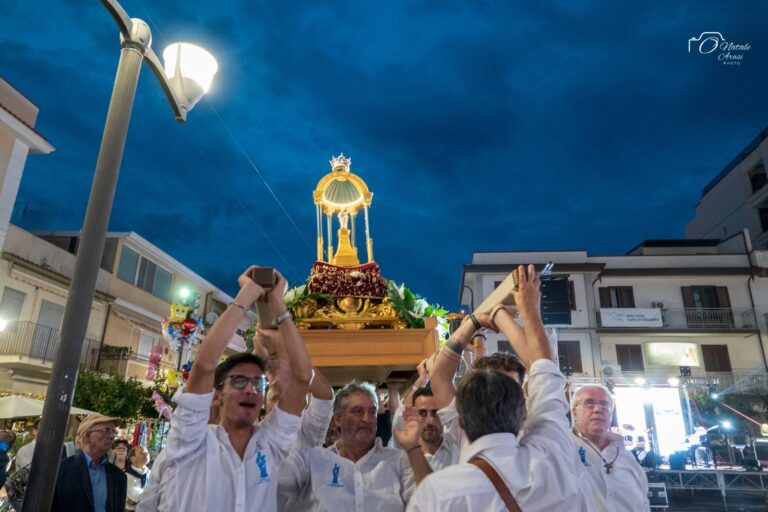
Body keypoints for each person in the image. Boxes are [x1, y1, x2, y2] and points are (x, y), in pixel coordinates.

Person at [408, 264, 590, 512]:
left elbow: (439, 374)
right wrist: (517, 313)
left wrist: (475, 322)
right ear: (523, 409)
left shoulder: (438, 493)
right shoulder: (552, 451)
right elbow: (543, 367)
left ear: (461, 420)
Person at [158, 265, 312, 512]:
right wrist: (246, 295)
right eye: (239, 381)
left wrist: (278, 304)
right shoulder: (192, 439)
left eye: (258, 383)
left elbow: (303, 377)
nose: (251, 390)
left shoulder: (270, 443)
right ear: (217, 395)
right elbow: (205, 365)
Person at [278, 380, 416, 511]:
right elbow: (272, 485)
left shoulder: (398, 461)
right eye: (358, 411)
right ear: (338, 419)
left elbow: (425, 501)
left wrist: (415, 448)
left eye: (372, 412)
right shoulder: (313, 461)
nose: (367, 419)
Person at [571, 384, 650, 511]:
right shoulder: (563, 450)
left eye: (604, 405)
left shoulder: (626, 457)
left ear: (610, 414)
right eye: (589, 404)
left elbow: (643, 502)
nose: (598, 409)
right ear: (575, 412)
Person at [51, 414, 127, 512]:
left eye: (113, 431)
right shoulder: (60, 471)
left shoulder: (119, 476)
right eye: (106, 430)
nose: (112, 436)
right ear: (87, 435)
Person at [390, 387, 459, 471]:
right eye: (422, 413)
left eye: (435, 413)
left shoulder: (456, 447)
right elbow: (399, 415)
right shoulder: (404, 452)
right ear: (413, 415)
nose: (429, 421)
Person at [125, 445, 151, 511]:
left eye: (147, 452)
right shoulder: (126, 475)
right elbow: (137, 496)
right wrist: (153, 493)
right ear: (132, 458)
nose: (146, 454)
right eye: (142, 453)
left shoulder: (151, 473)